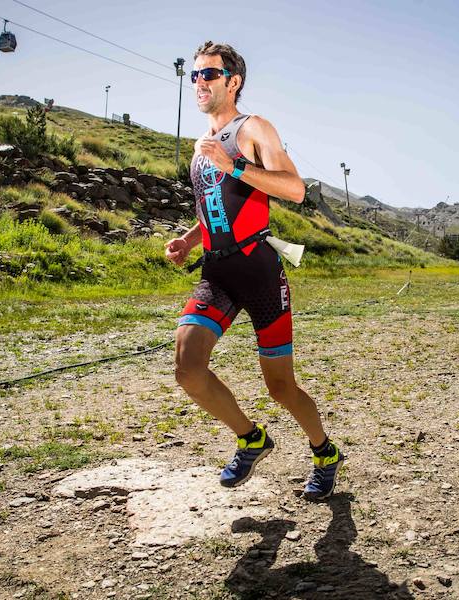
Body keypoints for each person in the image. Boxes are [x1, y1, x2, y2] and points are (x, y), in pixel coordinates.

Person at [164, 41, 344, 501]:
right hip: (218, 271)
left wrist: (237, 163)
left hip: (260, 271)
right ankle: (251, 438)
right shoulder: (200, 148)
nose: (200, 82)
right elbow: (217, 211)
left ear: (233, 81)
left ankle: (324, 453)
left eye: (209, 75)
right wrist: (190, 239)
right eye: (195, 76)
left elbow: (295, 189)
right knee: (188, 367)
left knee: (280, 386)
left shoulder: (253, 128)